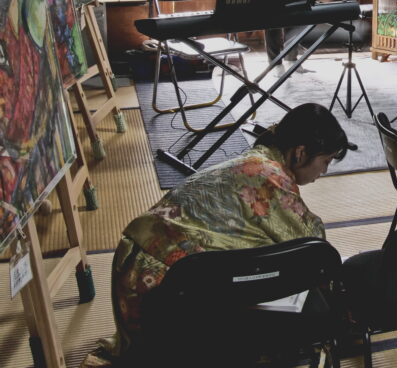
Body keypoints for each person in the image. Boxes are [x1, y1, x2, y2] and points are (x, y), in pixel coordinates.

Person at [83, 103, 349, 365]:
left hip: (135, 263)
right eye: (325, 161)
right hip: (160, 283)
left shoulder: (258, 161)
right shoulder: (269, 177)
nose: (324, 171)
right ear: (300, 153)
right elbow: (312, 247)